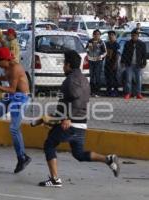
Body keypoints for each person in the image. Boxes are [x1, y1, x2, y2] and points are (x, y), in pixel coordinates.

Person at [35, 50, 120, 188]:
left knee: (49, 144)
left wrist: (68, 118)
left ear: (68, 65)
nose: (62, 67)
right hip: (79, 123)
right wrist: (51, 118)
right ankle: (108, 159)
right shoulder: (82, 78)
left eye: (63, 64)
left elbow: (78, 100)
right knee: (79, 154)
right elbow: (68, 103)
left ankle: (55, 179)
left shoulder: (71, 80)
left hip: (72, 124)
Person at [0, 47, 31, 174]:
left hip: (20, 98)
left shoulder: (15, 68)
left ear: (4, 59)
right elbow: (6, 77)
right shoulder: (7, 67)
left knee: (14, 129)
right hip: (12, 97)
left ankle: (22, 157)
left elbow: (13, 89)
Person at [121, 30, 147, 100]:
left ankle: (138, 94)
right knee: (128, 79)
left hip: (138, 65)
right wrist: (122, 62)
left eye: (135, 35)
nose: (134, 37)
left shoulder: (142, 44)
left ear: (138, 36)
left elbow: (144, 55)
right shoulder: (128, 43)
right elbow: (124, 53)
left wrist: (144, 63)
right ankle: (128, 93)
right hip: (129, 64)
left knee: (139, 80)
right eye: (132, 35)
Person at [86, 29, 107, 97]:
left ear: (100, 35)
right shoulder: (90, 41)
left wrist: (101, 56)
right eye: (95, 34)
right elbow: (86, 50)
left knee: (97, 76)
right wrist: (90, 48)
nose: (96, 36)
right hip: (91, 60)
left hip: (98, 61)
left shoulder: (101, 42)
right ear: (93, 35)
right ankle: (92, 91)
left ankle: (97, 92)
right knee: (92, 76)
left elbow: (105, 52)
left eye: (98, 34)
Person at [104, 31, 120, 97]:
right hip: (107, 63)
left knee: (114, 78)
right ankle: (108, 91)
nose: (111, 36)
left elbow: (117, 55)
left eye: (112, 35)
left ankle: (116, 91)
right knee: (108, 78)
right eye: (109, 35)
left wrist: (115, 64)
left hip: (113, 63)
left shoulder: (116, 44)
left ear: (115, 36)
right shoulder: (106, 44)